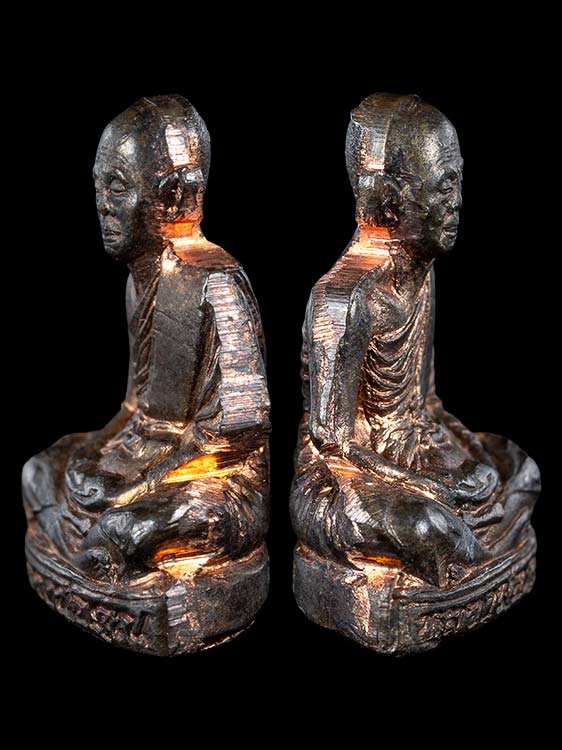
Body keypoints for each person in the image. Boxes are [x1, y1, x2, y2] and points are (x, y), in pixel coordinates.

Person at [291, 93, 539, 587]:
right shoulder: (345, 298)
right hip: (347, 479)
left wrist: (467, 455)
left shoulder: (423, 272)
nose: (457, 202)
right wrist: (428, 486)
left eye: (459, 183)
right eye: (444, 188)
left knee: (521, 470)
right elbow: (332, 445)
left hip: (414, 446)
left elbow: (427, 403)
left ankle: (466, 554)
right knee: (427, 526)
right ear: (391, 202)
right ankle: (460, 556)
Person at [23, 95, 270, 583]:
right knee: (39, 471)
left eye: (117, 188)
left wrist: (136, 486)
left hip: (212, 478)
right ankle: (91, 550)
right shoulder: (137, 282)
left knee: (133, 528)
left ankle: (95, 547)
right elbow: (136, 410)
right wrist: (100, 455)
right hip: (147, 453)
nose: (102, 205)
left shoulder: (215, 285)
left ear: (173, 197)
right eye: (98, 186)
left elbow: (236, 437)